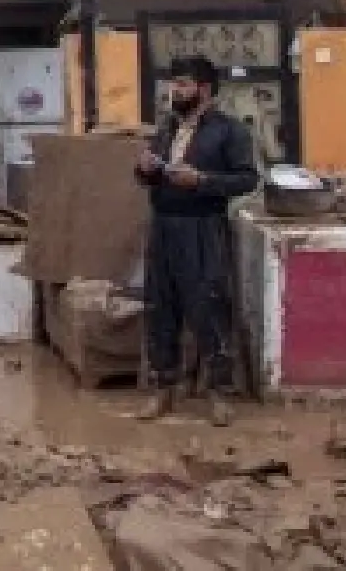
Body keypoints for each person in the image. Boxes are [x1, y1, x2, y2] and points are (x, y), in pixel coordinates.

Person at [133, 55, 259, 426]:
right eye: (173, 84)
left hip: (203, 228)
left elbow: (247, 179)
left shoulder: (229, 131)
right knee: (160, 308)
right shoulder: (167, 128)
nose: (175, 91)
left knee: (209, 307)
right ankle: (163, 389)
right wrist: (144, 169)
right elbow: (147, 176)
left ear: (204, 89)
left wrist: (202, 181)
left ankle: (219, 393)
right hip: (164, 227)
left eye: (183, 84)